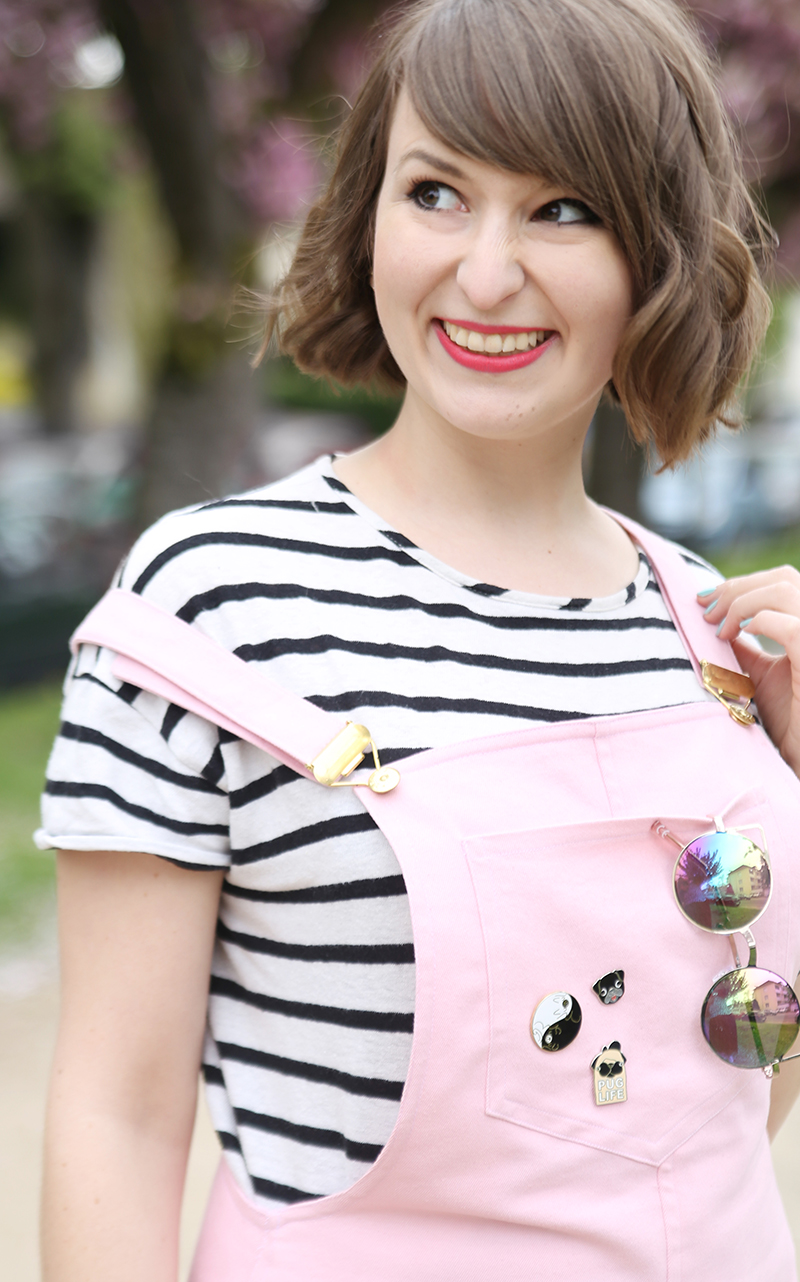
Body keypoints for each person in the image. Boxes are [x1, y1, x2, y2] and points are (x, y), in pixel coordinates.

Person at [38, 0, 800, 1278]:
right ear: (365, 217)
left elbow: (727, 1098)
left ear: (654, 256)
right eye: (436, 192)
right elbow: (114, 1116)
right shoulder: (215, 601)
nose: (485, 272)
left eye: (563, 209)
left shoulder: (707, 630)